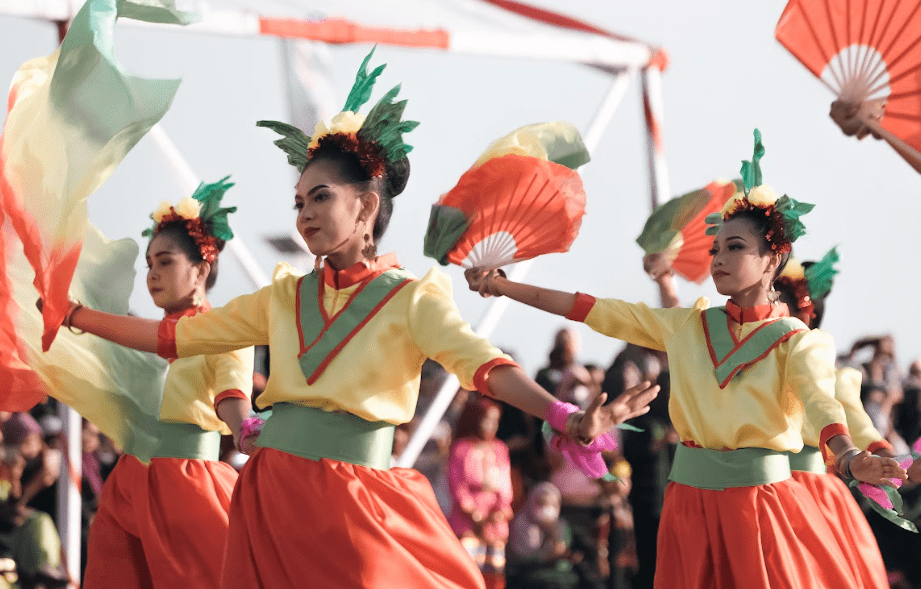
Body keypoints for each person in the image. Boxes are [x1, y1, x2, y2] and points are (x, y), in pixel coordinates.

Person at [62, 50, 659, 588]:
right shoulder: (282, 297)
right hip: (270, 499)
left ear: (367, 206)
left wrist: (562, 414)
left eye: (320, 197)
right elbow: (174, 337)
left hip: (356, 501)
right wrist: (76, 315)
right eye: (298, 202)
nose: (303, 215)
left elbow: (483, 367)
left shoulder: (411, 299)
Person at [466, 130, 907, 589]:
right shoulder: (689, 326)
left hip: (758, 506)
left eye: (735, 247)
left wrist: (852, 457)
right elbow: (599, 311)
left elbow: (822, 404)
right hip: (689, 504)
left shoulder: (799, 342)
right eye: (716, 248)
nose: (718, 258)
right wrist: (503, 286)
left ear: (773, 259)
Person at [64, 178, 254, 589]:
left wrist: (246, 430)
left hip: (186, 484)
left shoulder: (225, 332)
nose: (152, 274)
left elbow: (232, 394)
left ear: (201, 269)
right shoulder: (151, 335)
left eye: (165, 261)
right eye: (149, 263)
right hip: (128, 480)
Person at [774, 250, 891, 589]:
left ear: (806, 317)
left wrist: (889, 460)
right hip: (751, 493)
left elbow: (861, 428)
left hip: (812, 501)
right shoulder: (746, 370)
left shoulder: (832, 376)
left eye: (783, 307)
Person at [448, 398, 512, 588]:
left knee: (493, 571)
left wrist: (501, 508)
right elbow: (457, 485)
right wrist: (471, 512)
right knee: (466, 569)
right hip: (467, 519)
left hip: (495, 519)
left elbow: (505, 483)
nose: (492, 425)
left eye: (496, 421)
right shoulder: (461, 448)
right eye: (487, 420)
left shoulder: (500, 448)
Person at [0, 413, 68, 589]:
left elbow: (14, 501)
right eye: (30, 441)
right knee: (38, 521)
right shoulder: (12, 464)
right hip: (8, 531)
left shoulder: (28, 464)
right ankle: (42, 569)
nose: (36, 446)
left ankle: (44, 568)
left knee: (39, 521)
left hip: (13, 529)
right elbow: (12, 507)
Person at [506, 482, 579, 589]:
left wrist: (553, 533)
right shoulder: (520, 523)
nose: (548, 509)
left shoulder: (561, 525)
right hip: (526, 577)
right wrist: (545, 556)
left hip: (555, 577)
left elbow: (562, 555)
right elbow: (518, 558)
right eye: (542, 503)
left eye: (553, 505)